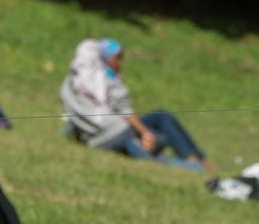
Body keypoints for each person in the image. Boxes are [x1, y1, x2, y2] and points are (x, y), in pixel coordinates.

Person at [60, 39, 210, 171]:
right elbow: (126, 113)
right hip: (113, 133)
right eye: (117, 58)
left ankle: (196, 159)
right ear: (104, 59)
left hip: (95, 135)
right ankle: (195, 165)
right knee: (158, 134)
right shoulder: (105, 80)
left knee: (158, 123)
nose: (120, 62)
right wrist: (145, 133)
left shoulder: (73, 79)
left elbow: (76, 114)